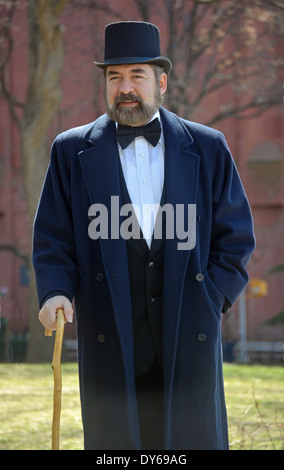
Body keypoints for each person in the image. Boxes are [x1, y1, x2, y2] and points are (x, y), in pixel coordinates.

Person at [33, 21, 255, 450]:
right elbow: (53, 237)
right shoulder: (70, 150)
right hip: (109, 331)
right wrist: (55, 292)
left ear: (161, 81)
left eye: (137, 75)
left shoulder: (209, 146)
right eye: (114, 77)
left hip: (189, 329)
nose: (125, 87)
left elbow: (236, 238)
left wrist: (212, 298)